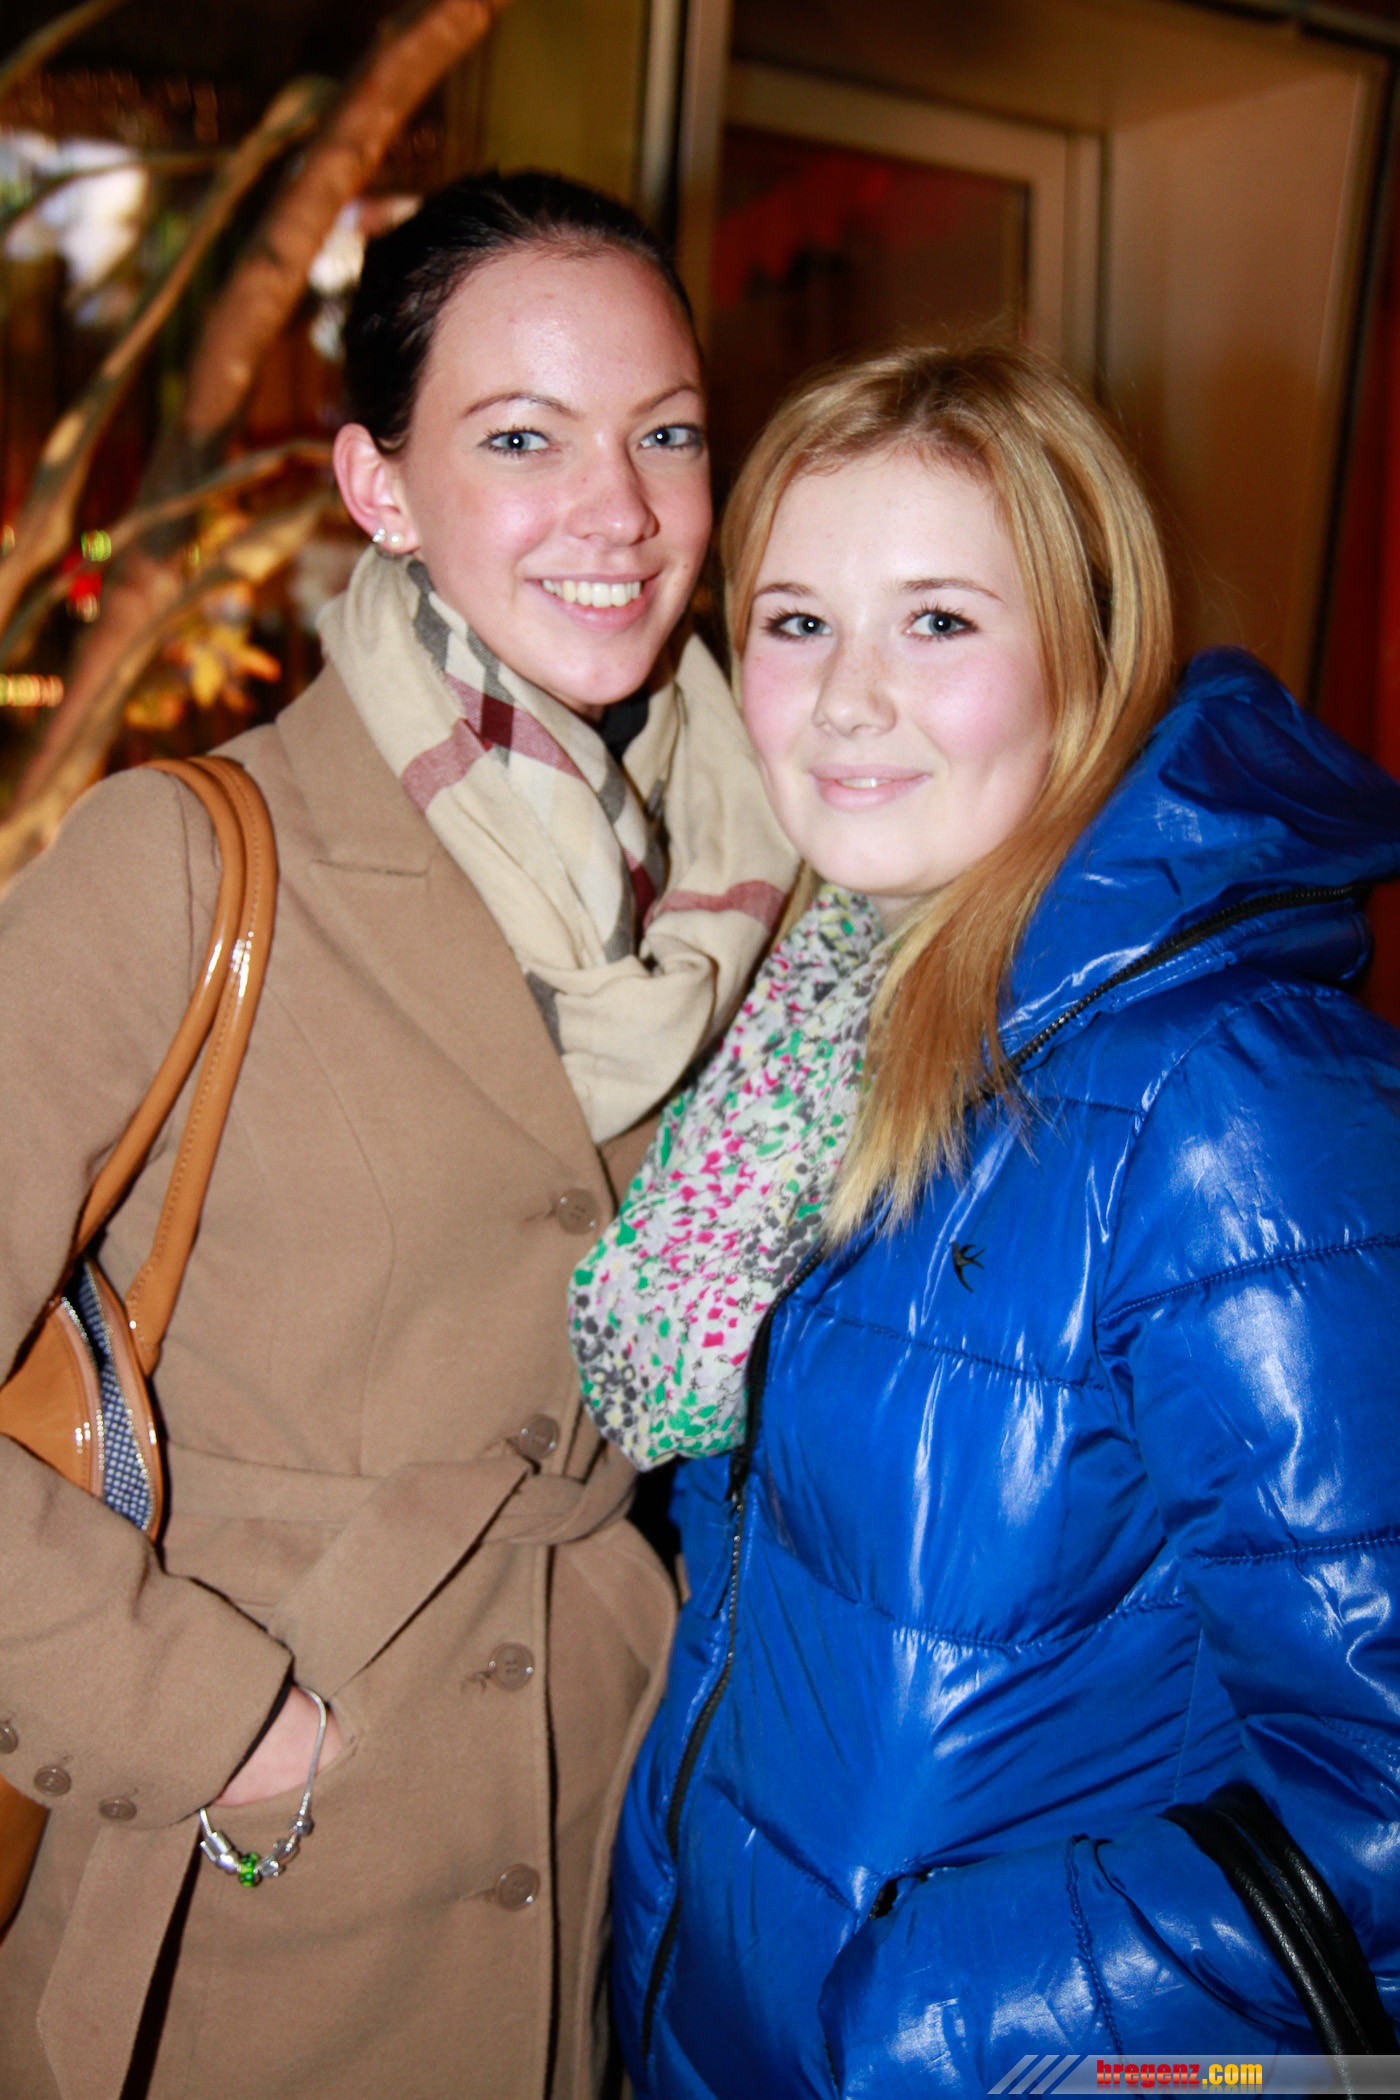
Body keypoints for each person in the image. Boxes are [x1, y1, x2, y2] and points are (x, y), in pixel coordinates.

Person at [0, 171, 794, 2100]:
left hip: (600, 1858)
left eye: (666, 435)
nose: (619, 511)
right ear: (380, 488)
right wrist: (216, 1725)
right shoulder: (184, 863)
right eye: (521, 438)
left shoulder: (774, 869)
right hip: (232, 1910)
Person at [569, 343, 1400, 2095]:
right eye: (798, 623)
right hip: (704, 2021)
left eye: (937, 621)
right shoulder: (819, 1017)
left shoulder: (1229, 1106)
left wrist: (929, 2025)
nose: (845, 700)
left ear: (1087, 653)